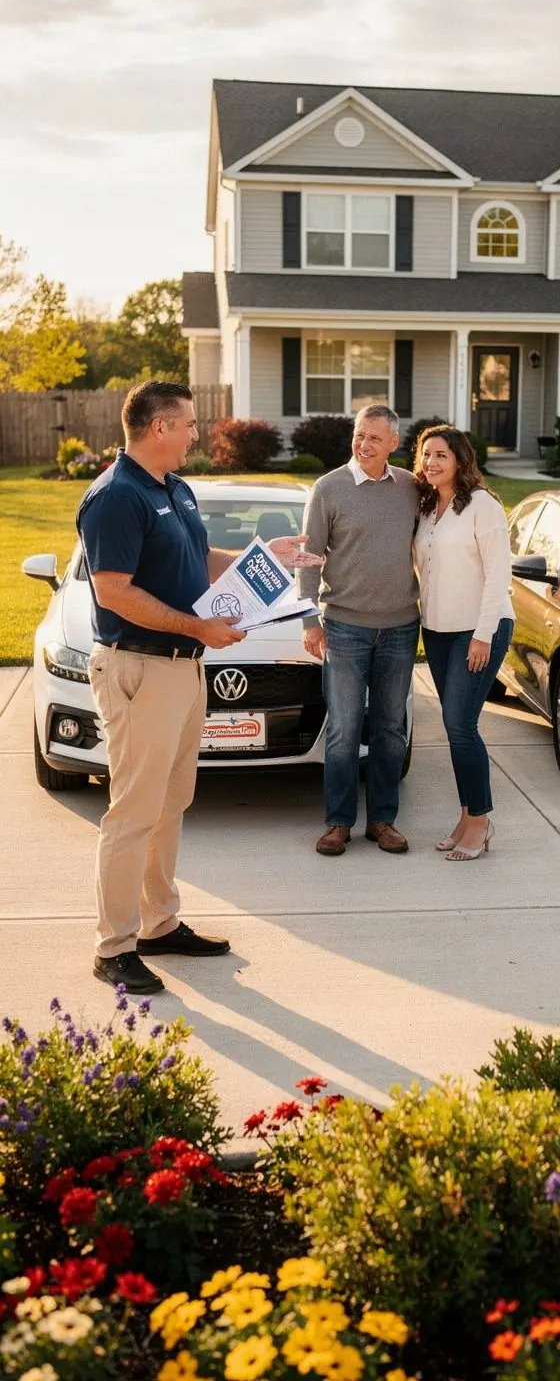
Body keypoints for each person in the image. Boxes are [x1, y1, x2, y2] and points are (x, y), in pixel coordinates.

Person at [77, 380, 322, 994]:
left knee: (170, 804)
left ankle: (159, 924)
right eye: (187, 423)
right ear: (158, 427)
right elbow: (113, 591)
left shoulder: (174, 488)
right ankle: (114, 946)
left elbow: (198, 557)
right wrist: (198, 627)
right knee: (133, 813)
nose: (195, 433)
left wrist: (268, 555)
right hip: (139, 668)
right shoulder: (115, 497)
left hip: (184, 670)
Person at [297, 404, 419, 857]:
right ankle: (338, 822)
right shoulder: (328, 489)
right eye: (358, 435)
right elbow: (308, 559)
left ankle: (383, 821)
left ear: (393, 443)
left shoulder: (410, 487)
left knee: (390, 728)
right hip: (345, 626)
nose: (363, 444)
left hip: (401, 627)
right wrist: (310, 619)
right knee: (345, 729)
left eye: (374, 438)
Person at [413, 425, 514, 860]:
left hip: (477, 630)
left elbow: (499, 574)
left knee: (460, 724)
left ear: (459, 460)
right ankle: (467, 813)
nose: (432, 463)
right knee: (455, 729)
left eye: (441, 455)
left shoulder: (482, 505)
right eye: (426, 455)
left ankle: (480, 821)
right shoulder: (426, 507)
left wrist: (482, 634)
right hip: (435, 631)